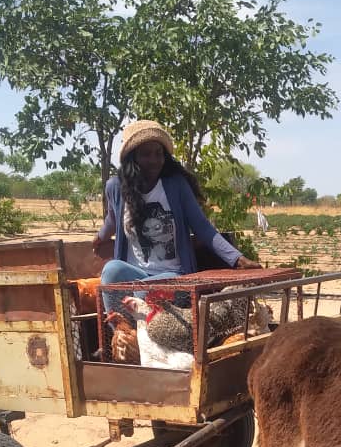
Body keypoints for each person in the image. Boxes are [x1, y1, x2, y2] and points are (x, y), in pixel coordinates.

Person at [93, 120, 261, 312]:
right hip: (135, 273)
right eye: (146, 154)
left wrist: (238, 259)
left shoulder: (176, 186)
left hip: (173, 275)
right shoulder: (116, 187)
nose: (154, 160)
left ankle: (137, 326)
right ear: (133, 158)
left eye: (159, 154)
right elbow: (113, 219)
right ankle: (120, 330)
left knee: (144, 293)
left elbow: (203, 227)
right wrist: (100, 237)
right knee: (111, 270)